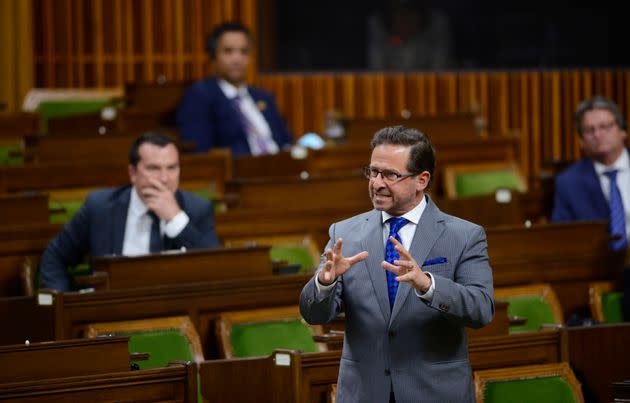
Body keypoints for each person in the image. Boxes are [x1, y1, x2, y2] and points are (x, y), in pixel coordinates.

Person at [299, 126, 494, 402]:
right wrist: (324, 284)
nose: (377, 183)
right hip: (365, 393)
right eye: (373, 172)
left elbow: (481, 310)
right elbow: (313, 315)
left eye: (391, 175)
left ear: (421, 180)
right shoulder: (345, 234)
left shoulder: (464, 236)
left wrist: (427, 285)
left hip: (435, 393)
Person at [40, 132, 221, 291]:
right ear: (132, 173)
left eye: (172, 168)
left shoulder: (197, 209)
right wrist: (62, 302)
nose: (165, 178)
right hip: (111, 314)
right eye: (153, 168)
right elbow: (55, 257)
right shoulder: (100, 207)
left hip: (175, 317)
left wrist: (175, 219)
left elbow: (217, 270)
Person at [551, 95, 630, 320]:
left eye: (605, 126)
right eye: (589, 130)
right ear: (581, 142)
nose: (598, 134)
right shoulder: (569, 182)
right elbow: (563, 237)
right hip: (597, 273)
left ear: (622, 131)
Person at [176, 22, 293, 156]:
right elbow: (199, 151)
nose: (237, 59)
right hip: (238, 172)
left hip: (281, 168)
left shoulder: (263, 97)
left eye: (244, 52)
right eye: (228, 51)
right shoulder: (200, 96)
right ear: (213, 57)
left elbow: (286, 141)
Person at [366, 0, 454, 71]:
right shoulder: (378, 26)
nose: (405, 19)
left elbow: (439, 72)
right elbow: (377, 71)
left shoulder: (437, 25)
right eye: (400, 12)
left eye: (410, 11)